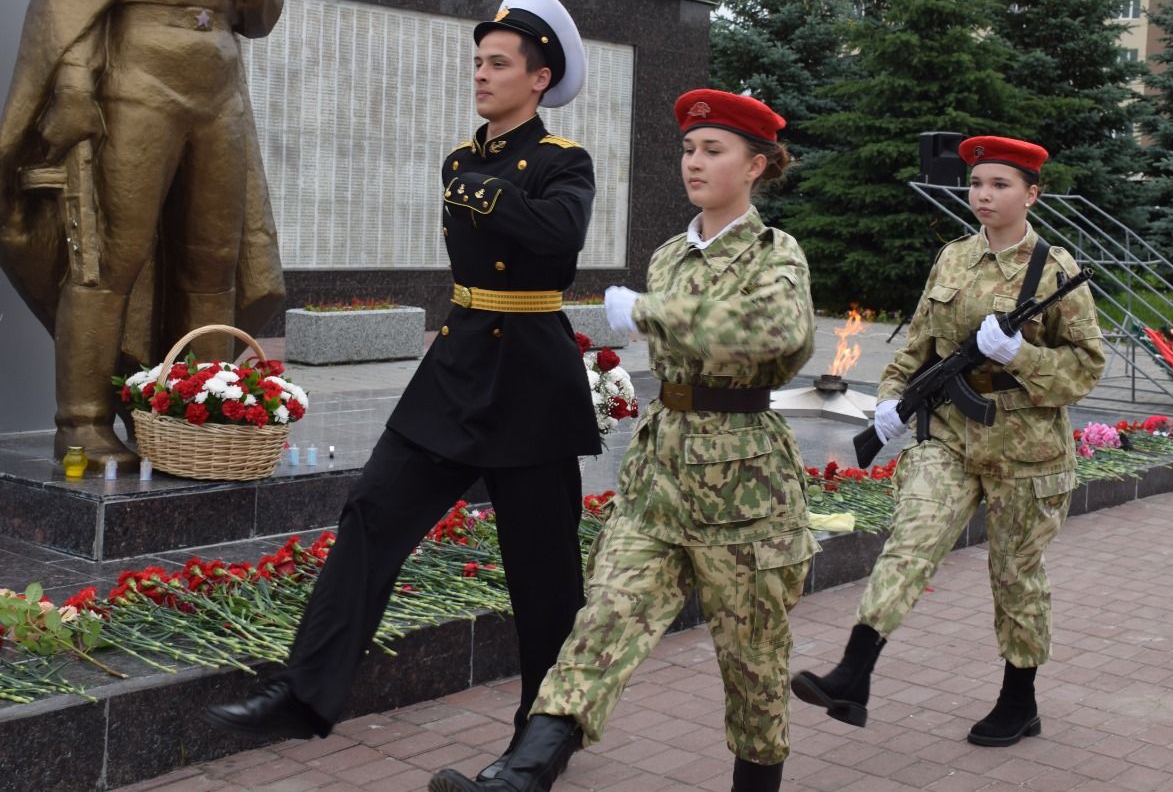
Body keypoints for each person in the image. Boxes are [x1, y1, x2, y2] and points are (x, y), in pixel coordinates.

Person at [207, 0, 602, 781]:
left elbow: (559, 243)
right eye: (478, 63)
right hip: (457, 369)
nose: (482, 76)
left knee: (544, 572)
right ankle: (307, 692)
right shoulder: (459, 160)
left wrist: (496, 197)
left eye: (498, 65)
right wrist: (482, 187)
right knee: (371, 511)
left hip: (529, 377)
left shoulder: (564, 163)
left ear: (539, 77)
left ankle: (543, 739)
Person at [428, 89, 818, 792]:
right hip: (660, 476)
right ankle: (521, 776)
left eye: (714, 150)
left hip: (745, 486)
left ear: (756, 165)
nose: (694, 162)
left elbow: (779, 334)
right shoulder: (671, 252)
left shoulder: (776, 254)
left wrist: (649, 310)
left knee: (754, 664)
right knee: (603, 620)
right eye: (689, 150)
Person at [0, 0, 287, 465]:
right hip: (134, 77)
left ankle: (200, 409)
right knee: (106, 258)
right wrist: (72, 87)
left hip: (217, 84)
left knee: (213, 262)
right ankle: (82, 423)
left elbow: (266, 12)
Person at [793, 136, 1103, 748]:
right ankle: (854, 673)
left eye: (1000, 185)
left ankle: (1020, 701)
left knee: (1015, 575)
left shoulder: (1056, 271)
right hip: (951, 437)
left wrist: (1023, 355)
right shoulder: (953, 259)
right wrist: (889, 398)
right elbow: (917, 345)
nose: (983, 195)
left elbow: (1087, 368)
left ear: (1031, 194)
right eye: (978, 183)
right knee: (910, 540)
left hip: (1026, 445)